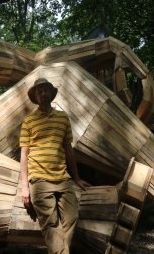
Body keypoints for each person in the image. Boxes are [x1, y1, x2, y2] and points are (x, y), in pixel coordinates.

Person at [20, 78, 91, 254]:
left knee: (72, 217)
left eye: (46, 90)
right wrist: (24, 187)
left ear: (51, 93)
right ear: (35, 96)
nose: (43, 93)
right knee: (51, 225)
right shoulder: (29, 121)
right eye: (39, 91)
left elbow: (68, 150)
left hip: (62, 177)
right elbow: (24, 154)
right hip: (39, 180)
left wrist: (76, 178)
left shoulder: (63, 118)